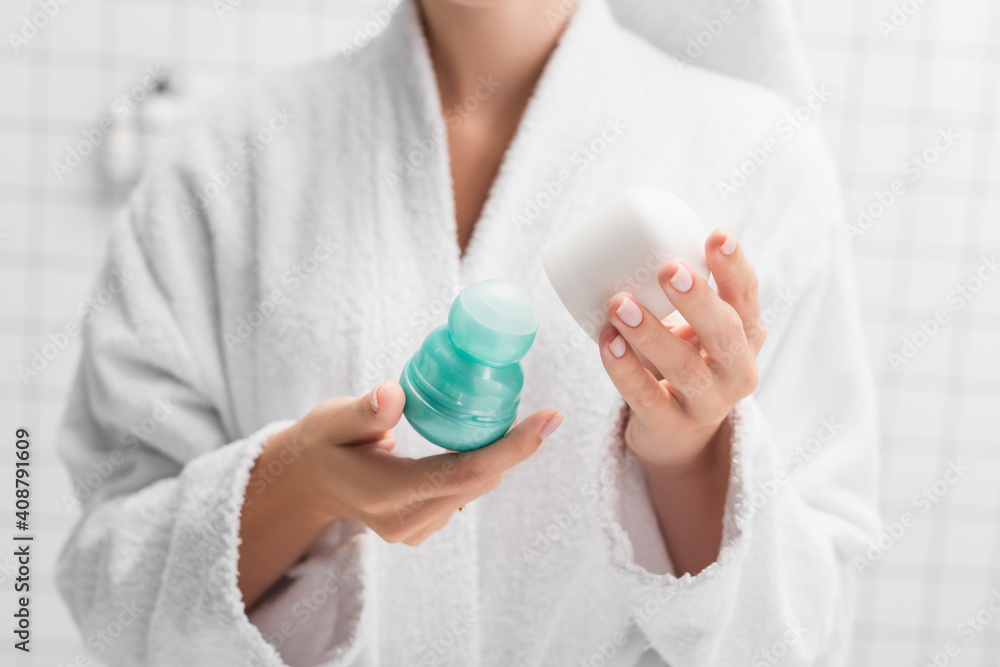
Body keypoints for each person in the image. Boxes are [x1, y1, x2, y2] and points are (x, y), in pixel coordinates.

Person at [56, 0, 879, 665]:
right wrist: (298, 482)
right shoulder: (224, 163)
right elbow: (109, 588)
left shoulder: (761, 158)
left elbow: (802, 635)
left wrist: (692, 458)